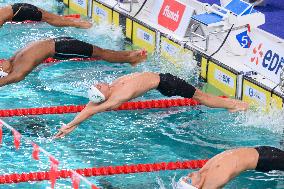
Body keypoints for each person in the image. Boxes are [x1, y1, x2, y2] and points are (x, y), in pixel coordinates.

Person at [54, 72, 249, 138]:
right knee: (201, 97)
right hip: (167, 83)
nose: (98, 83)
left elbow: (89, 107)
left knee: (200, 96)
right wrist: (71, 126)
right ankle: (235, 105)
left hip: (164, 81)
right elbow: (92, 111)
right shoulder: (115, 98)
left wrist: (71, 124)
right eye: (98, 87)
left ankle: (232, 104)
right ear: (102, 96)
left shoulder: (111, 89)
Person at [0, 37, 147, 87]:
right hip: (61, 48)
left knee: (100, 51)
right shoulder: (18, 71)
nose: (1, 62)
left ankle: (130, 56)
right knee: (100, 53)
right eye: (0, 66)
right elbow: (6, 81)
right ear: (5, 74)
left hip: (59, 42)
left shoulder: (14, 59)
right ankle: (131, 59)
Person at [179, 146, 284, 189]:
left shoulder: (204, 171)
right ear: (197, 186)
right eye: (188, 181)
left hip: (261, 151)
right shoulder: (212, 182)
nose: (189, 175)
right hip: (265, 159)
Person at [0, 3, 92, 28]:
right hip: (20, 7)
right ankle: (82, 23)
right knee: (55, 18)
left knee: (53, 20)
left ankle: (86, 25)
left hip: (23, 11)